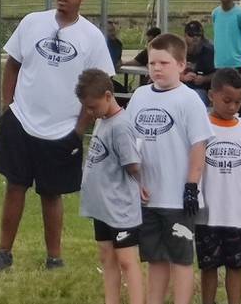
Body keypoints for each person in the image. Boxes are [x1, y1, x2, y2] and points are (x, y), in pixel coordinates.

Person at [0, 0, 115, 272]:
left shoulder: (91, 37)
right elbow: (13, 65)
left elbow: (97, 86)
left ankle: (54, 258)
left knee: (51, 193)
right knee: (15, 186)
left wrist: (78, 130)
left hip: (62, 129)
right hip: (22, 120)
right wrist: (9, 107)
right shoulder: (32, 23)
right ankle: (3, 253)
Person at [125, 33, 214, 304]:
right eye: (152, 63)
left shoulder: (188, 100)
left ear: (181, 64)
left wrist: (191, 186)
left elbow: (199, 146)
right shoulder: (139, 96)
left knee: (181, 257)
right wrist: (135, 182)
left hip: (177, 197)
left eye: (164, 63)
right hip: (148, 195)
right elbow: (130, 142)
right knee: (155, 256)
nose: (156, 69)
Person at [75, 69, 146, 304]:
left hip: (120, 209)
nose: (89, 112)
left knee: (127, 260)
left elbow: (133, 164)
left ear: (108, 95)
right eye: (86, 107)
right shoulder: (103, 119)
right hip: (102, 207)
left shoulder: (120, 126)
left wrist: (142, 184)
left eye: (92, 107)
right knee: (107, 257)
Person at [196, 68, 241, 304]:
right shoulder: (200, 126)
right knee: (209, 265)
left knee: (236, 266)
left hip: (237, 212)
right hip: (207, 213)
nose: (233, 106)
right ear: (211, 95)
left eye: (238, 101)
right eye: (227, 100)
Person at [182, 21, 215, 106]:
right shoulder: (178, 49)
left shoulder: (209, 51)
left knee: (197, 99)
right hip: (180, 87)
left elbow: (219, 73)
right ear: (185, 35)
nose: (195, 38)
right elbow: (168, 70)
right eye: (191, 35)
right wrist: (182, 77)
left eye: (198, 35)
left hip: (201, 89)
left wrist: (204, 79)